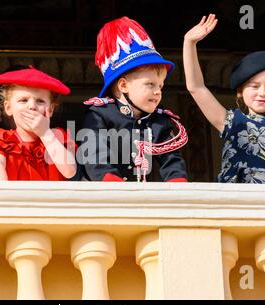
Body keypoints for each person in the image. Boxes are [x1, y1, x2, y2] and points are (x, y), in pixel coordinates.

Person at [183, 14, 265, 184]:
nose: (262, 93)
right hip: (232, 202)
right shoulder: (232, 121)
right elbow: (197, 88)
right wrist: (189, 43)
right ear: (240, 91)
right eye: (254, 86)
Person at [79, 16, 188, 182]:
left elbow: (172, 163)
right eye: (150, 84)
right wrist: (112, 183)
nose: (158, 92)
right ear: (123, 86)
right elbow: (94, 156)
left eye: (160, 86)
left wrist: (178, 183)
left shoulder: (160, 122)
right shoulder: (99, 115)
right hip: (104, 201)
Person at [0, 66, 77, 181]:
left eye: (40, 101)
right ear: (8, 108)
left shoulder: (57, 136)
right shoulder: (2, 138)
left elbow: (70, 171)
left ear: (51, 109)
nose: (32, 106)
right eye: (23, 100)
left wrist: (44, 133)